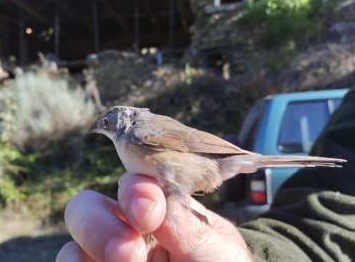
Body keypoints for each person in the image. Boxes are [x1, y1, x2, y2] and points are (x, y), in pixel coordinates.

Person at [56, 88, 355, 261]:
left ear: (122, 120)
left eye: (106, 124)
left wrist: (237, 154)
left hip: (209, 159)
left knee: (158, 204)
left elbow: (193, 142)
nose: (103, 130)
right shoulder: (127, 143)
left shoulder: (139, 133)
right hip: (204, 168)